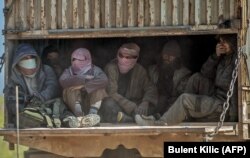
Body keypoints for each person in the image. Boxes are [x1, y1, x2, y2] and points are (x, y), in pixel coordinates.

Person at [135, 34, 238, 125]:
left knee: (185, 99)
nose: (222, 44)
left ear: (233, 42)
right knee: (197, 78)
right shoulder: (223, 59)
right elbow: (205, 73)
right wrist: (215, 56)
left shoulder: (237, 59)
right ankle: (172, 115)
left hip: (224, 106)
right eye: (220, 41)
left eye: (225, 41)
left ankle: (161, 124)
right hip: (215, 97)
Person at [100, 43, 158, 123]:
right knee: (108, 104)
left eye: (127, 57)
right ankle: (133, 120)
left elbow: (150, 88)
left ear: (135, 58)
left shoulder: (140, 70)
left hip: (134, 104)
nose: (123, 59)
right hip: (117, 103)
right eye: (121, 55)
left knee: (152, 106)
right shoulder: (111, 68)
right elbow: (111, 92)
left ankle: (129, 119)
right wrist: (131, 106)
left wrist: (145, 102)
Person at [4, 43, 60, 125]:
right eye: (25, 58)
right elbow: (11, 102)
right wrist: (26, 103)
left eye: (31, 57)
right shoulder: (14, 79)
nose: (29, 60)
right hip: (27, 116)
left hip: (48, 110)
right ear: (18, 63)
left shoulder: (46, 70)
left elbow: (53, 87)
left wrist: (40, 97)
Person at [59, 48, 108, 126]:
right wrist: (83, 78)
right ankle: (79, 117)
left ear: (88, 59)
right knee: (69, 89)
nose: (76, 62)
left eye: (80, 60)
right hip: (74, 104)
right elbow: (63, 81)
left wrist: (84, 86)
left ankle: (92, 116)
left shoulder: (95, 70)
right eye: (74, 59)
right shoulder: (69, 70)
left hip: (91, 102)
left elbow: (104, 80)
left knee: (99, 89)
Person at [148, 40, 192, 115]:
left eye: (172, 55)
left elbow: (181, 98)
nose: (167, 57)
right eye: (165, 54)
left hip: (173, 107)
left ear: (177, 58)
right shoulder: (152, 71)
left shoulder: (184, 74)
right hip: (154, 103)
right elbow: (147, 90)